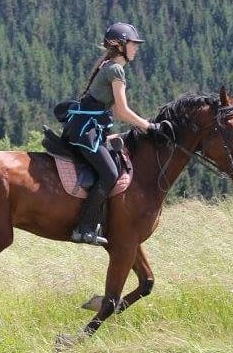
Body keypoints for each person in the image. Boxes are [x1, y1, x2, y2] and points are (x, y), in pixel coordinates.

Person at [62, 22, 171, 246]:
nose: (136, 48)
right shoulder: (115, 69)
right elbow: (121, 110)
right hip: (86, 131)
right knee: (110, 174)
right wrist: (149, 126)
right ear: (121, 46)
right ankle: (84, 228)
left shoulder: (109, 66)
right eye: (133, 44)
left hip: (89, 128)